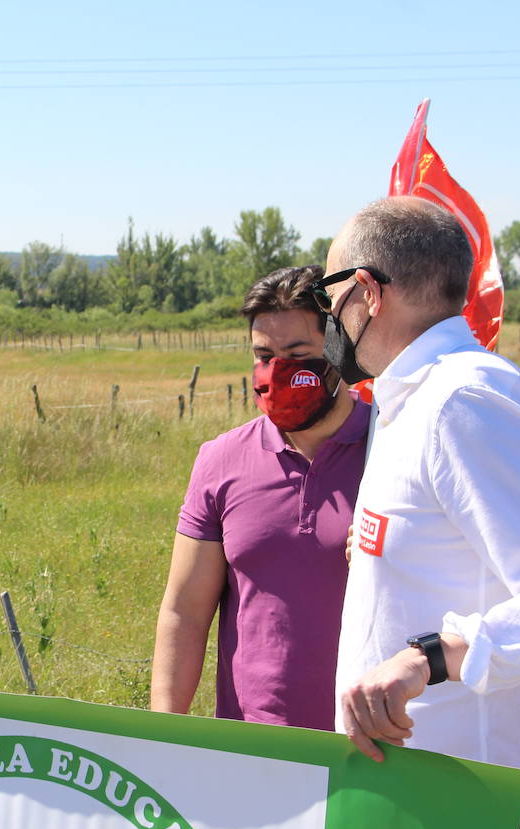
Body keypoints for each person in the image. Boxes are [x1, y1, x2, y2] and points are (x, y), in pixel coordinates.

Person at [324, 197, 520, 775]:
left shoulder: (462, 403)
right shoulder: (408, 399)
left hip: (470, 788)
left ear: (368, 293)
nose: (328, 317)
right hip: (413, 779)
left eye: (330, 299)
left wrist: (427, 658)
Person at [150, 266, 370, 730]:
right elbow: (185, 612)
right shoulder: (221, 460)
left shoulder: (395, 447)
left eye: (297, 353)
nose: (278, 370)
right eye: (264, 354)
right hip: (251, 743)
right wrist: (162, 736)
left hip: (374, 747)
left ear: (336, 347)